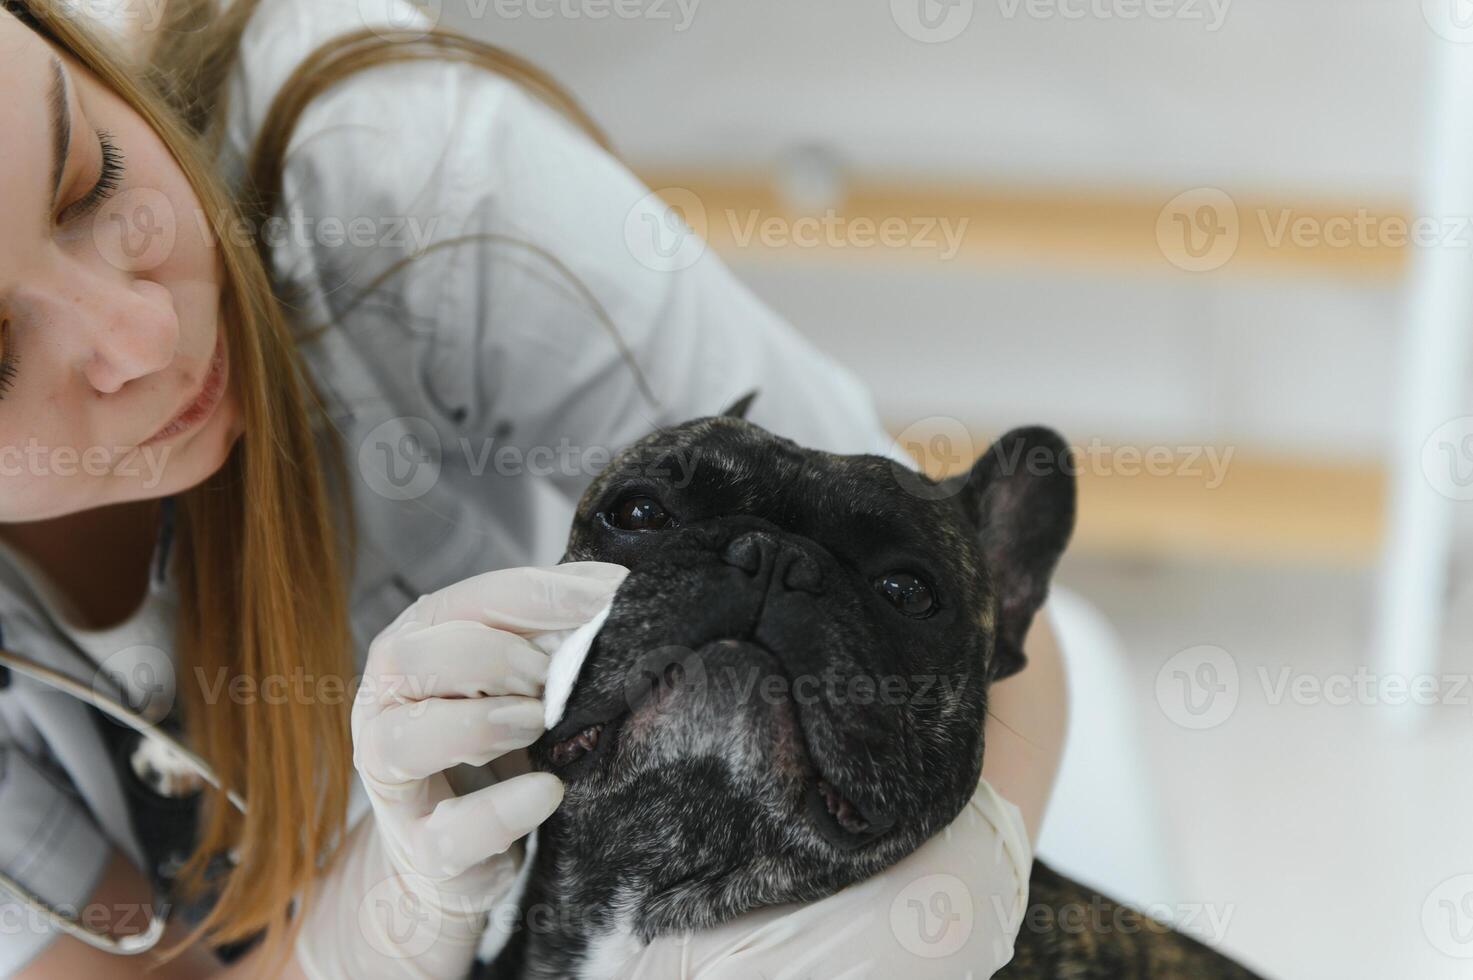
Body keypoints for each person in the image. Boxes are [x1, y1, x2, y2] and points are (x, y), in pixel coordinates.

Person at [0, 0, 1069, 976]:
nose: (141, 334)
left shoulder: (390, 173)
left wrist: (958, 888)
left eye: (88, 176)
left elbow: (969, 600)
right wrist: (372, 938)